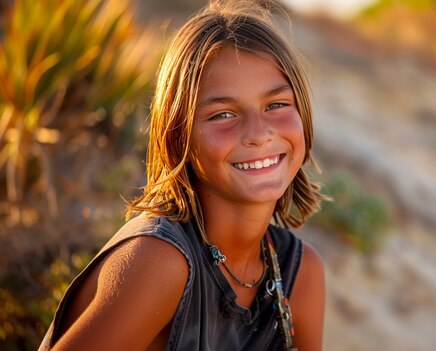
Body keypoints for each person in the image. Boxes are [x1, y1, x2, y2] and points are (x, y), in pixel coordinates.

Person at [39, 1, 326, 350]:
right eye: (223, 114)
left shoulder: (300, 271)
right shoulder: (159, 262)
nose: (259, 133)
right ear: (179, 137)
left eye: (276, 105)